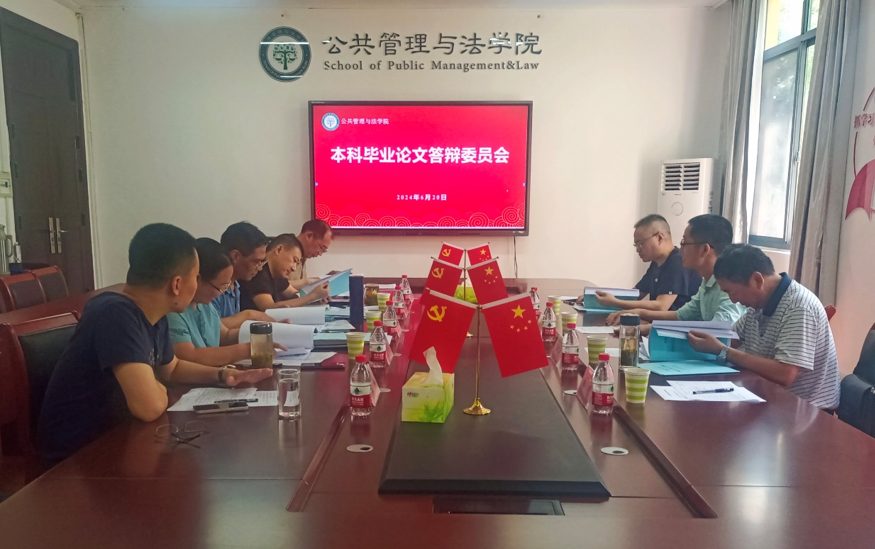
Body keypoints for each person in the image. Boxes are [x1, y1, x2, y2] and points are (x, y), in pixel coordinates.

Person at [38, 224, 272, 464]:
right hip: (77, 461)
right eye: (195, 277)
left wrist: (224, 375)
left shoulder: (154, 314)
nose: (197, 284)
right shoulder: (115, 314)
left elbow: (172, 368)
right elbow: (148, 407)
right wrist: (159, 388)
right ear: (177, 284)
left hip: (119, 440)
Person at [686, 244, 840, 410]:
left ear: (757, 280)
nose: (733, 300)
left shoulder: (799, 306)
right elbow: (731, 339)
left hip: (805, 410)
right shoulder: (758, 304)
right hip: (767, 397)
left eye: (732, 292)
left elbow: (785, 374)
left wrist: (723, 351)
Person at [606, 214, 747, 330]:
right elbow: (681, 316)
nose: (681, 249)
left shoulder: (730, 286)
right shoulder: (707, 282)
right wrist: (639, 315)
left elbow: (718, 331)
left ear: (704, 249)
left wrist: (623, 306)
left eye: (684, 243)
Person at [168, 238, 286, 366]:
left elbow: (225, 336)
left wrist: (265, 332)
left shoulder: (204, 305)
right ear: (198, 279)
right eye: (221, 287)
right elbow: (189, 356)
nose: (222, 293)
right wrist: (247, 350)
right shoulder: (173, 311)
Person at [579, 214, 701, 312]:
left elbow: (661, 306)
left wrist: (615, 302)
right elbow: (635, 295)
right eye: (636, 245)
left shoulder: (677, 262)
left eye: (640, 243)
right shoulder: (656, 263)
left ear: (659, 238)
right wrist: (594, 298)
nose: (638, 249)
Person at [239, 233, 329, 311]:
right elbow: (269, 309)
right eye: (294, 260)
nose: (294, 268)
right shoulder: (258, 271)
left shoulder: (276, 273)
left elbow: (294, 294)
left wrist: (317, 298)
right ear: (279, 249)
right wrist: (312, 296)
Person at [211, 222, 275, 328]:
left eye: (262, 262)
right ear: (235, 256)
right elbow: (210, 328)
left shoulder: (236, 286)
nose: (259, 268)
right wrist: (248, 315)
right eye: (256, 262)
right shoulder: (213, 287)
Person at [287, 219, 334, 291]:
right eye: (321, 248)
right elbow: (277, 286)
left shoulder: (303, 255)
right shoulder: (286, 250)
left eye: (324, 251)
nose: (320, 254)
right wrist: (309, 282)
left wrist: (325, 278)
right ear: (309, 236)